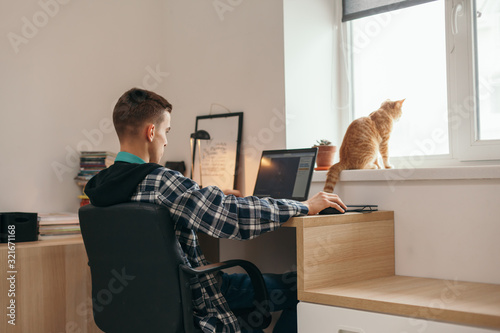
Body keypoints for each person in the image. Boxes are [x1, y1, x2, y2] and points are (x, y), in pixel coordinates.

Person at [85, 88, 347, 333]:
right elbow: (232, 217)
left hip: (142, 306)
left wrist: (210, 195)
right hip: (198, 300)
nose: (166, 142)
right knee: (301, 286)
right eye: (167, 131)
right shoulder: (161, 181)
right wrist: (304, 206)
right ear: (151, 132)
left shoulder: (98, 189)